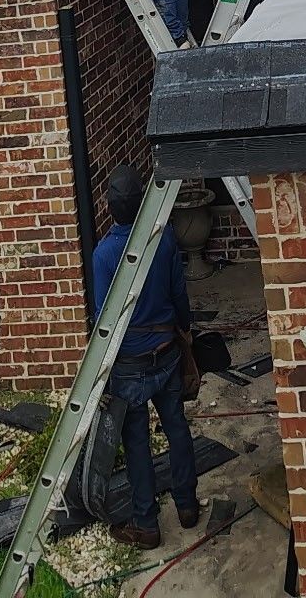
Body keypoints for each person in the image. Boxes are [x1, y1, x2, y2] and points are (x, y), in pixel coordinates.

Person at [92, 163, 200, 548]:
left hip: (129, 365)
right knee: (176, 427)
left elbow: (103, 319)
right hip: (166, 353)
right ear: (140, 206)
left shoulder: (104, 255)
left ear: (110, 208)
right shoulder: (164, 240)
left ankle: (147, 526)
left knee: (137, 443)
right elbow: (179, 295)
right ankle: (187, 507)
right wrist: (187, 330)